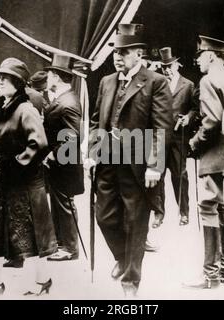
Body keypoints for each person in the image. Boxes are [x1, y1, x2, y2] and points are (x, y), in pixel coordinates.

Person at [87, 23, 173, 297]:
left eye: (124, 51)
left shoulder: (155, 82)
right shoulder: (107, 81)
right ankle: (123, 258)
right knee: (104, 216)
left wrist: (154, 165)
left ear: (139, 53)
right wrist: (91, 151)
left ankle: (131, 279)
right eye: (116, 51)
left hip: (137, 165)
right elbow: (95, 121)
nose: (117, 56)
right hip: (107, 161)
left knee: (136, 222)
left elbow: (162, 128)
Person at [0, 57, 57, 295]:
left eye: (6, 78)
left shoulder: (25, 109)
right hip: (3, 180)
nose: (0, 82)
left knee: (28, 235)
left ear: (17, 82)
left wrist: (16, 164)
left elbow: (40, 143)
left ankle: (41, 282)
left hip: (23, 182)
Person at [187, 36, 224, 288]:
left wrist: (194, 142)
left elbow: (212, 121)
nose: (196, 61)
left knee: (207, 209)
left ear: (210, 55)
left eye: (199, 56)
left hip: (214, 155)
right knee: (223, 210)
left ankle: (210, 275)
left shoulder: (208, 80)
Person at [42, 54, 84, 261]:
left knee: (65, 203)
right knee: (59, 203)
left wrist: (52, 154)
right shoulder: (63, 99)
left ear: (56, 77)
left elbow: (73, 136)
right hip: (60, 163)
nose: (47, 78)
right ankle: (62, 243)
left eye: (49, 75)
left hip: (65, 162)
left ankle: (69, 248)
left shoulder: (68, 103)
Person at [159, 47, 198, 226]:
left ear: (177, 64)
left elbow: (196, 108)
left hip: (178, 137)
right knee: (157, 175)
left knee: (180, 175)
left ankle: (184, 212)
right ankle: (159, 213)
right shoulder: (157, 83)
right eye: (163, 67)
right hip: (159, 136)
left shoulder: (188, 85)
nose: (167, 69)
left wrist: (188, 118)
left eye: (170, 66)